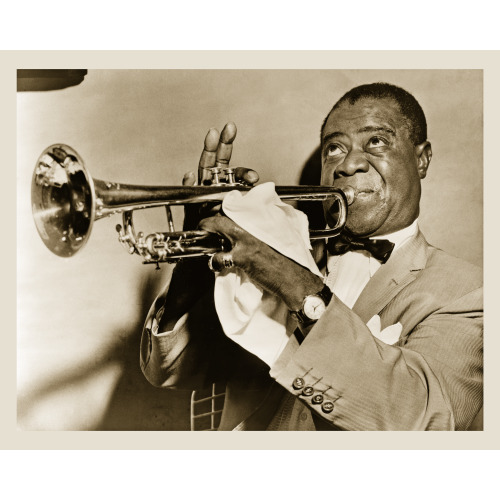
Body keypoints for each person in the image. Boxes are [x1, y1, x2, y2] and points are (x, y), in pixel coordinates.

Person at [140, 82, 483, 431]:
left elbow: (429, 421)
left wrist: (294, 282)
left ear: (422, 158)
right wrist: (192, 272)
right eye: (334, 148)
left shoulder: (468, 291)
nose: (348, 164)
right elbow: (170, 370)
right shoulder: (285, 251)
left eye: (376, 141)